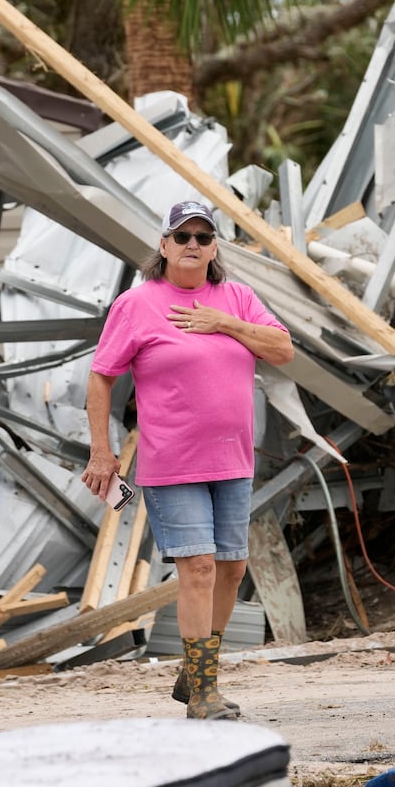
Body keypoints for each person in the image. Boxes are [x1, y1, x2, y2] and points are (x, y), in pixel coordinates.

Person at [83, 200, 294, 720]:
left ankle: (195, 672)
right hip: (173, 462)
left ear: (215, 247)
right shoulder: (137, 304)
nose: (192, 245)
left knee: (231, 567)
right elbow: (101, 376)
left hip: (234, 460)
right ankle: (204, 693)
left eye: (203, 236)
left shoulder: (237, 298)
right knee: (197, 568)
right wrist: (102, 451)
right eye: (182, 237)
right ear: (163, 245)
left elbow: (283, 349)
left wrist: (223, 322)